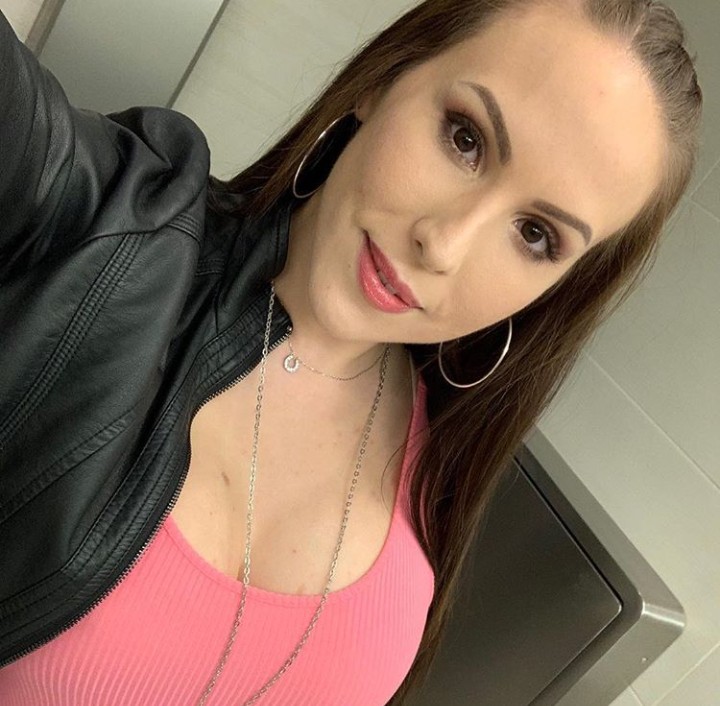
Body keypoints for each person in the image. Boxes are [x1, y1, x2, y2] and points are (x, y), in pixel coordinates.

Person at [0, 0, 702, 704]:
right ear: (385, 79)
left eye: (535, 235)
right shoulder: (107, 229)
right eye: (465, 139)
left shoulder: (447, 460)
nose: (444, 244)